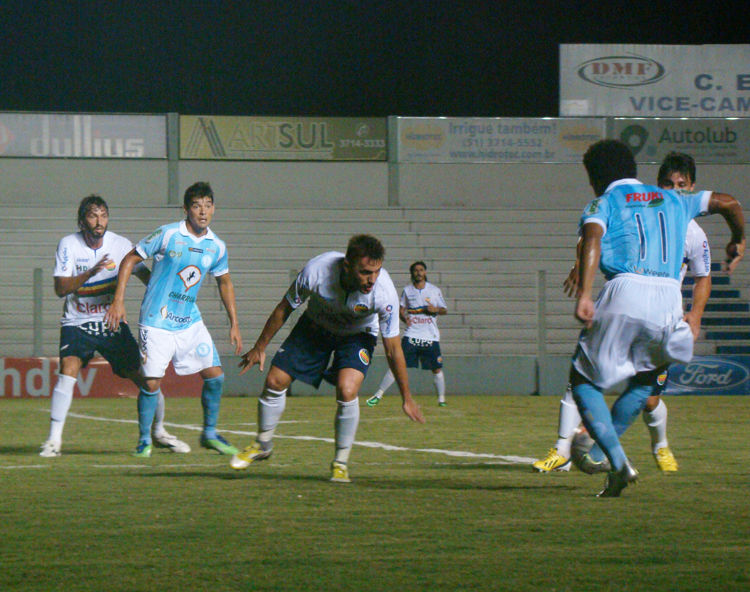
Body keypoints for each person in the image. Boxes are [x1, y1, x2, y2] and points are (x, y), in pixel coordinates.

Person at [569, 140, 744, 497]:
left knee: (584, 381)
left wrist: (586, 294)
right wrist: (738, 239)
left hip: (625, 290)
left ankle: (616, 462)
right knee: (647, 382)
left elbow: (592, 238)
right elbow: (729, 202)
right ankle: (606, 457)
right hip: (668, 300)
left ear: (594, 178)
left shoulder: (603, 201)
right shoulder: (675, 198)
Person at [533, 151, 712, 474]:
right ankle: (562, 449)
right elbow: (591, 236)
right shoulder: (638, 207)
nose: (673, 189)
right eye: (667, 184)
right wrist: (579, 267)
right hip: (625, 302)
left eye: (681, 185)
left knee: (648, 399)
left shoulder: (693, 231)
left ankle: (659, 445)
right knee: (582, 381)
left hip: (662, 316)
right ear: (655, 185)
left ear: (692, 186)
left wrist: (696, 315)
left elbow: (703, 276)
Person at [230, 234, 426, 482]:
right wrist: (260, 346)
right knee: (274, 381)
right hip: (315, 326)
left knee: (347, 389)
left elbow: (393, 349)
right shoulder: (316, 271)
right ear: (347, 265)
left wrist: (406, 397)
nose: (372, 279)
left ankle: (340, 463)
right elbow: (285, 307)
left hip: (358, 334)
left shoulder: (384, 293)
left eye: (376, 271)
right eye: (365, 272)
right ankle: (263, 445)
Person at [40, 195, 190, 457]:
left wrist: (169, 298)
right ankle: (53, 441)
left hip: (111, 324)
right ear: (81, 221)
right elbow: (60, 288)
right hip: (78, 323)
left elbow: (145, 275)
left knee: (147, 379)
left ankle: (160, 432)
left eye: (103, 215)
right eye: (92, 216)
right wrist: (89, 272)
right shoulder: (68, 244)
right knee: (68, 368)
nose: (99, 221)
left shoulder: (121, 245)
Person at [103, 182, 242, 457]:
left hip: (189, 321)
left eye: (207, 205)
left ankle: (210, 433)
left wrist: (234, 322)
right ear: (186, 209)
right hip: (156, 321)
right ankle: (144, 440)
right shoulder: (168, 235)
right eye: (196, 205)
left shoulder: (217, 246)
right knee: (151, 383)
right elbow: (130, 259)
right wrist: (118, 301)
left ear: (213, 208)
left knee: (215, 377)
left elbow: (225, 282)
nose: (202, 211)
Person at [366, 261, 448, 408]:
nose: (418, 273)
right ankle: (378, 395)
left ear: (425, 272)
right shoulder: (407, 291)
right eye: (416, 270)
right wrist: (405, 319)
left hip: (430, 335)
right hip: (412, 334)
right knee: (396, 365)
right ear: (412, 273)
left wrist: (435, 309)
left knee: (436, 368)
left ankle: (441, 399)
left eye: (421, 270)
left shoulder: (434, 290)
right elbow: (400, 309)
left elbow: (444, 309)